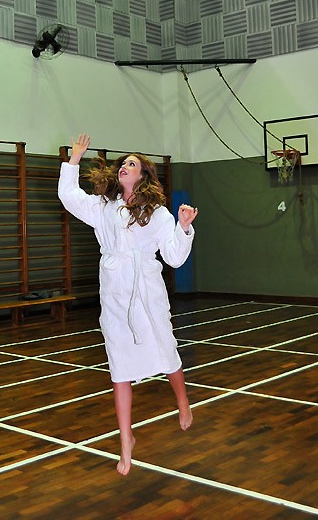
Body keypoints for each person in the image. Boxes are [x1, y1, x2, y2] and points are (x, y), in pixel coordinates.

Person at [58, 134, 198, 476]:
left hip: (147, 291)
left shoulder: (159, 213)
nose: (124, 166)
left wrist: (183, 228)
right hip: (115, 292)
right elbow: (69, 196)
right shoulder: (103, 207)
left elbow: (175, 258)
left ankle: (182, 401)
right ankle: (126, 442)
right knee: (119, 367)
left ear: (143, 176)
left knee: (166, 350)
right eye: (123, 163)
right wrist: (73, 161)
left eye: (131, 164)